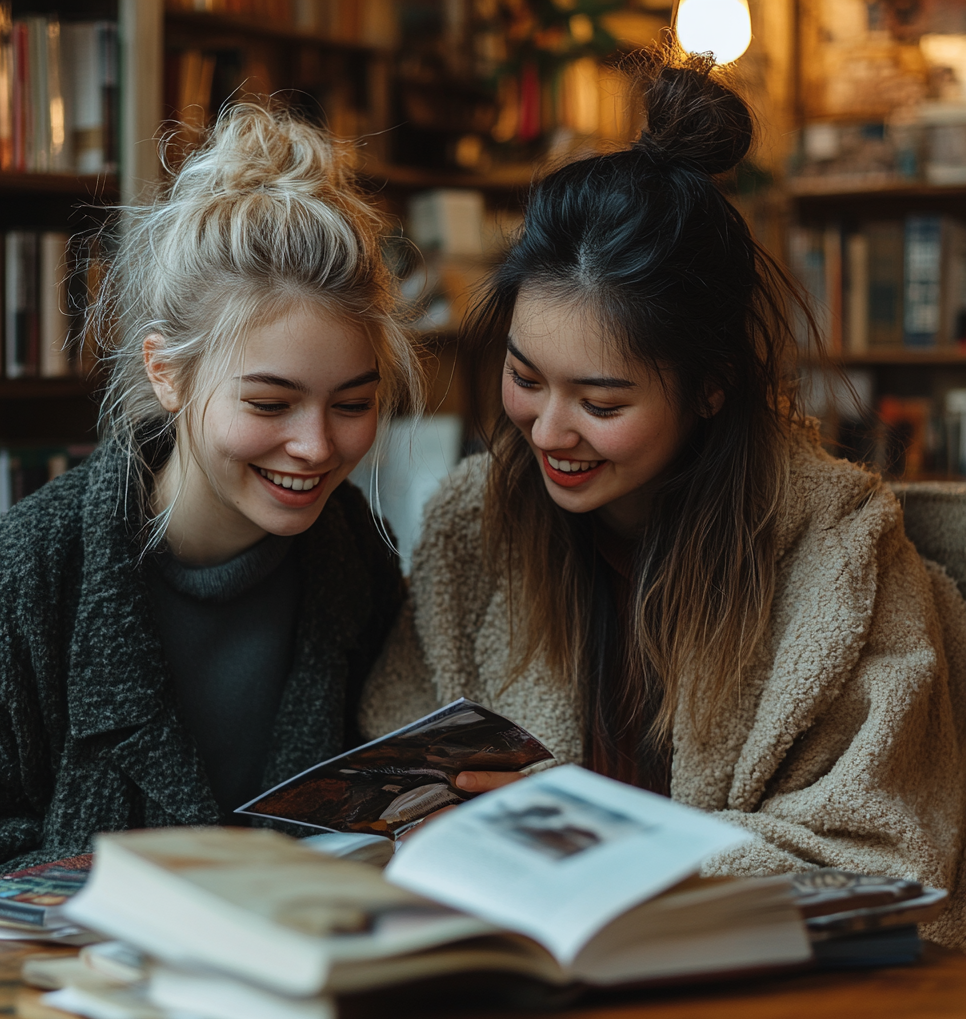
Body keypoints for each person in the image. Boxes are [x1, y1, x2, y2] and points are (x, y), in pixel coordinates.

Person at [360, 57, 966, 947]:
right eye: (525, 379)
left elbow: (887, 861)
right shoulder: (475, 521)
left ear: (710, 388)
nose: (546, 432)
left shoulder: (842, 556)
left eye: (602, 404)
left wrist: (582, 835)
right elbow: (393, 773)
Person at [0, 103, 423, 890]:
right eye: (269, 404)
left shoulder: (357, 558)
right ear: (165, 371)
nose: (317, 446)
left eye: (352, 404)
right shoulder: (17, 588)